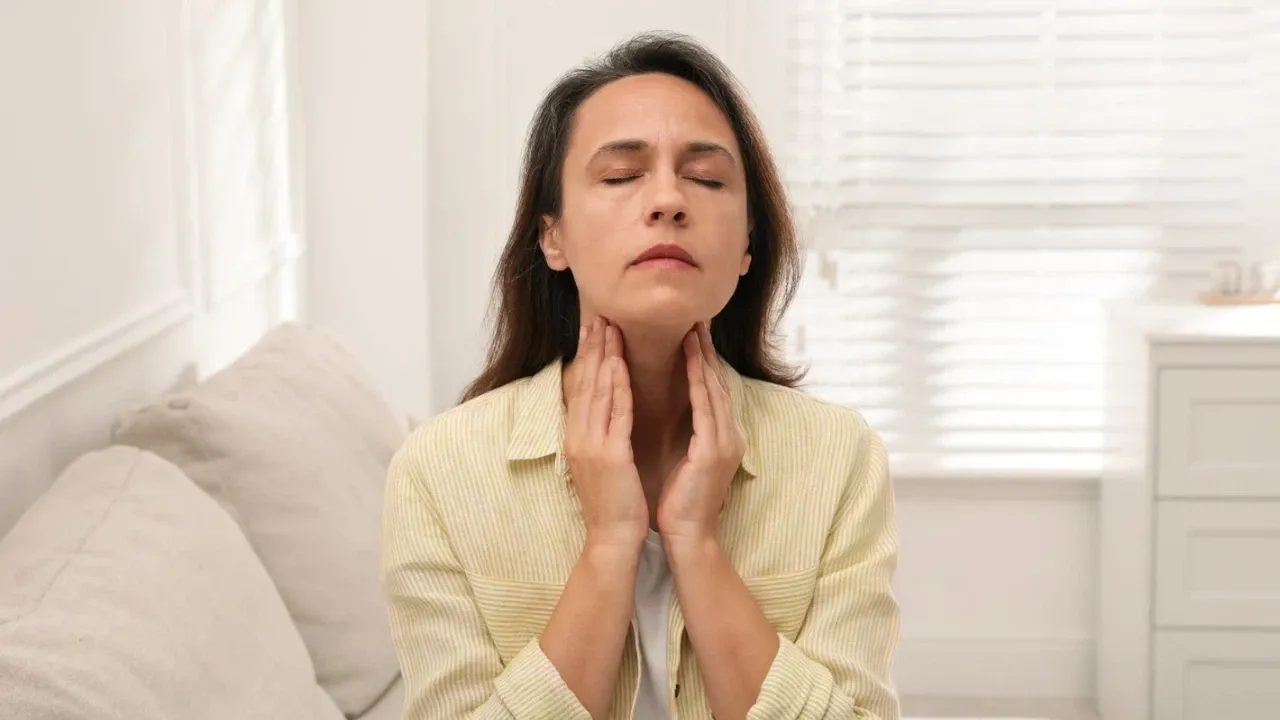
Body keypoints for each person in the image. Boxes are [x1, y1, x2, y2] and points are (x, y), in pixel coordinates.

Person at [381, 31, 900, 720]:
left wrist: (697, 544)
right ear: (552, 237)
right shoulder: (438, 471)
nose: (667, 201)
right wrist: (609, 545)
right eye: (622, 176)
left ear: (748, 244)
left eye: (708, 179)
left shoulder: (839, 457)